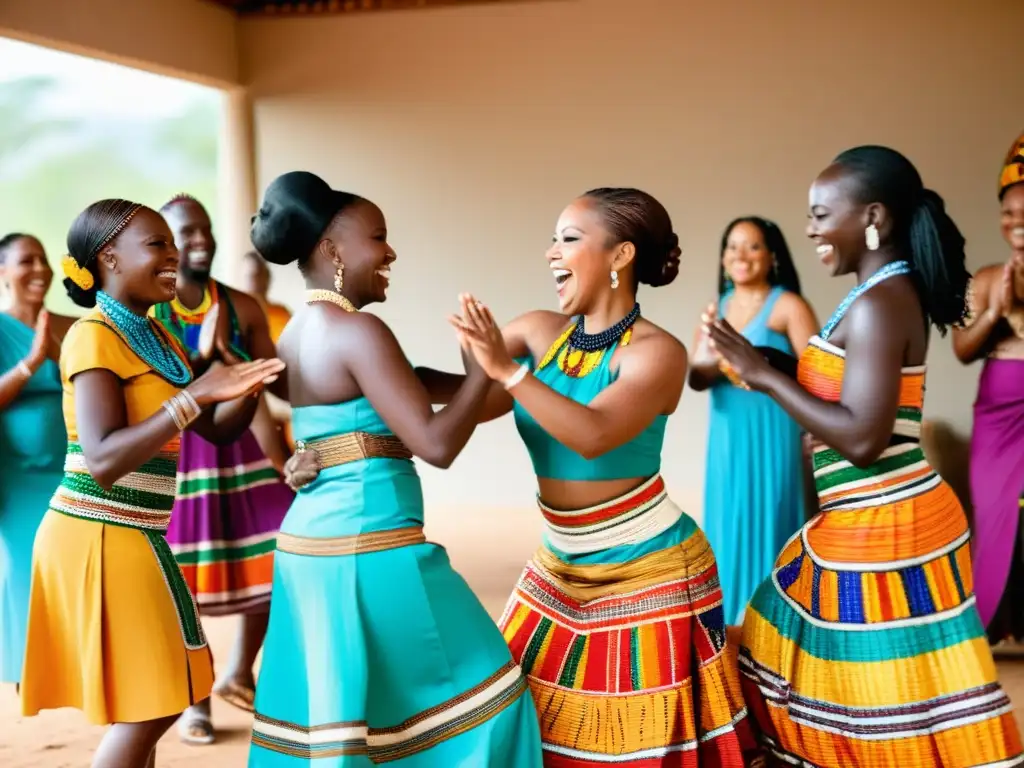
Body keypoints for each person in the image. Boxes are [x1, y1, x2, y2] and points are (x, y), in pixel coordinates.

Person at [403, 188, 754, 766]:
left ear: (620, 256)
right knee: (511, 709)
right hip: (560, 562)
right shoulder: (539, 332)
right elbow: (463, 394)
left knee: (635, 740)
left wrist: (505, 372)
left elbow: (592, 435)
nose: (550, 252)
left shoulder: (656, 353)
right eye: (553, 238)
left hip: (650, 566)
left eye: (569, 239)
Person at [707, 146, 1024, 766]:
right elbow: (843, 385)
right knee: (824, 656)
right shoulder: (872, 293)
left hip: (888, 522)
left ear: (873, 216)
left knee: (879, 686)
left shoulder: (881, 302)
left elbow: (863, 437)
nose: (811, 229)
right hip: (870, 517)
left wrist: (762, 375)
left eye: (823, 214)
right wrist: (772, 363)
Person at [248, 170, 543, 766]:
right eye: (378, 236)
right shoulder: (360, 331)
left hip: (314, 549)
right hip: (369, 550)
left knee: (356, 725)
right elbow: (436, 442)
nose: (390, 251)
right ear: (331, 250)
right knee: (491, 696)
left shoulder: (300, 332)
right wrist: (487, 367)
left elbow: (452, 398)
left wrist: (495, 374)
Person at [19, 199, 285, 768]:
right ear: (109, 256)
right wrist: (196, 396)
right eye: (157, 244)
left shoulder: (156, 338)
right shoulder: (93, 335)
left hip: (138, 533)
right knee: (156, 701)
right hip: (96, 531)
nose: (174, 255)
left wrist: (246, 384)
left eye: (173, 243)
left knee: (166, 691)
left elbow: (214, 430)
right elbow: (104, 457)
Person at [152, 194, 295, 743]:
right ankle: (199, 699)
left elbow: (274, 383)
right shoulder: (148, 313)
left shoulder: (242, 306)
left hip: (243, 450)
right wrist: (208, 359)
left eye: (206, 229)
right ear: (163, 243)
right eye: (185, 232)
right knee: (183, 589)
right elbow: (157, 393)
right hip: (179, 460)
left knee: (277, 562)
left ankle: (240, 670)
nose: (200, 240)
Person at [689, 216, 817, 625]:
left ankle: (774, 626)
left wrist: (760, 363)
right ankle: (727, 628)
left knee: (774, 516)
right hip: (729, 435)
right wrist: (712, 358)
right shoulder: (715, 310)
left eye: (753, 246)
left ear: (772, 256)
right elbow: (695, 377)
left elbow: (821, 373)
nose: (740, 256)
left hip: (774, 431)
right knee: (727, 523)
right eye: (732, 247)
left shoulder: (788, 306)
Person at [953, 130, 1024, 643]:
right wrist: (996, 310)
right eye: (1009, 214)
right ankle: (989, 625)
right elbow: (961, 349)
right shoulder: (984, 278)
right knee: (996, 510)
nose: (1016, 225)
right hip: (997, 417)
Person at [0, 233, 74, 688]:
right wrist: (32, 362)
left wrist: (62, 354)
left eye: (44, 259)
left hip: (73, 472)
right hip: (16, 476)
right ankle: (32, 666)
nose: (40, 269)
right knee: (25, 564)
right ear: (2, 272)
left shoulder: (70, 325)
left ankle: (71, 661)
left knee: (70, 563)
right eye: (26, 260)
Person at [239, 248, 295, 451]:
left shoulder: (281, 313)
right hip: (251, 394)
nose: (256, 281)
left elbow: (293, 357)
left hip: (283, 387)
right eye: (250, 276)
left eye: (261, 275)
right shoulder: (236, 315)